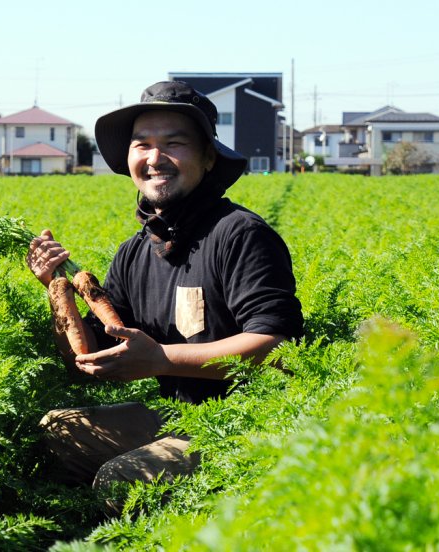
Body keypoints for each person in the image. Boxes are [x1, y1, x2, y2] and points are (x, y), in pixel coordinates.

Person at [25, 81, 303, 503]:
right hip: (176, 413)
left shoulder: (241, 235)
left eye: (174, 144)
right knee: (57, 430)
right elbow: (91, 355)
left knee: (121, 478)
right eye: (143, 145)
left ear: (209, 158)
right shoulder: (135, 252)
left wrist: (161, 359)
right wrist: (56, 289)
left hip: (246, 422)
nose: (156, 159)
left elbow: (277, 346)